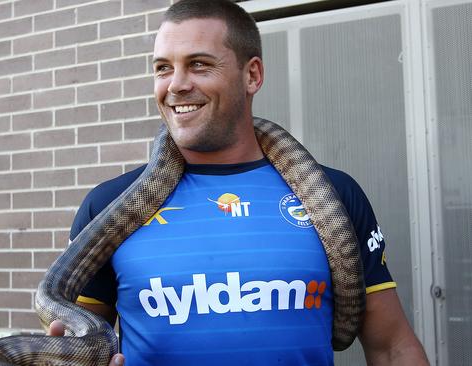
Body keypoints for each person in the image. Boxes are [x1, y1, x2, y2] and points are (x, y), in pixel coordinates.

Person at [50, 0, 429, 365]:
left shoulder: (335, 194)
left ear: (252, 75)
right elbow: (77, 339)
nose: (176, 84)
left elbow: (392, 347)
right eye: (163, 68)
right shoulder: (110, 206)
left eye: (199, 64)